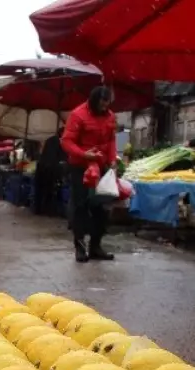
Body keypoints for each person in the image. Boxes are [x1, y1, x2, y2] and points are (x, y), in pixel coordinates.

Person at [62, 85, 118, 263]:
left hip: (101, 166)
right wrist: (83, 154)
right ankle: (79, 247)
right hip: (80, 167)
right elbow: (67, 141)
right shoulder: (78, 114)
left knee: (101, 207)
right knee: (80, 206)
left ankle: (96, 246)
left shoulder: (109, 116)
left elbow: (111, 140)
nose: (105, 107)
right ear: (94, 101)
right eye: (102, 103)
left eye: (107, 104)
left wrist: (113, 160)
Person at [33, 132, 64, 216]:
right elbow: (62, 157)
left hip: (41, 167)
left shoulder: (50, 140)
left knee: (39, 190)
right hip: (50, 169)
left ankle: (38, 210)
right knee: (48, 190)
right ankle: (47, 210)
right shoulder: (60, 142)